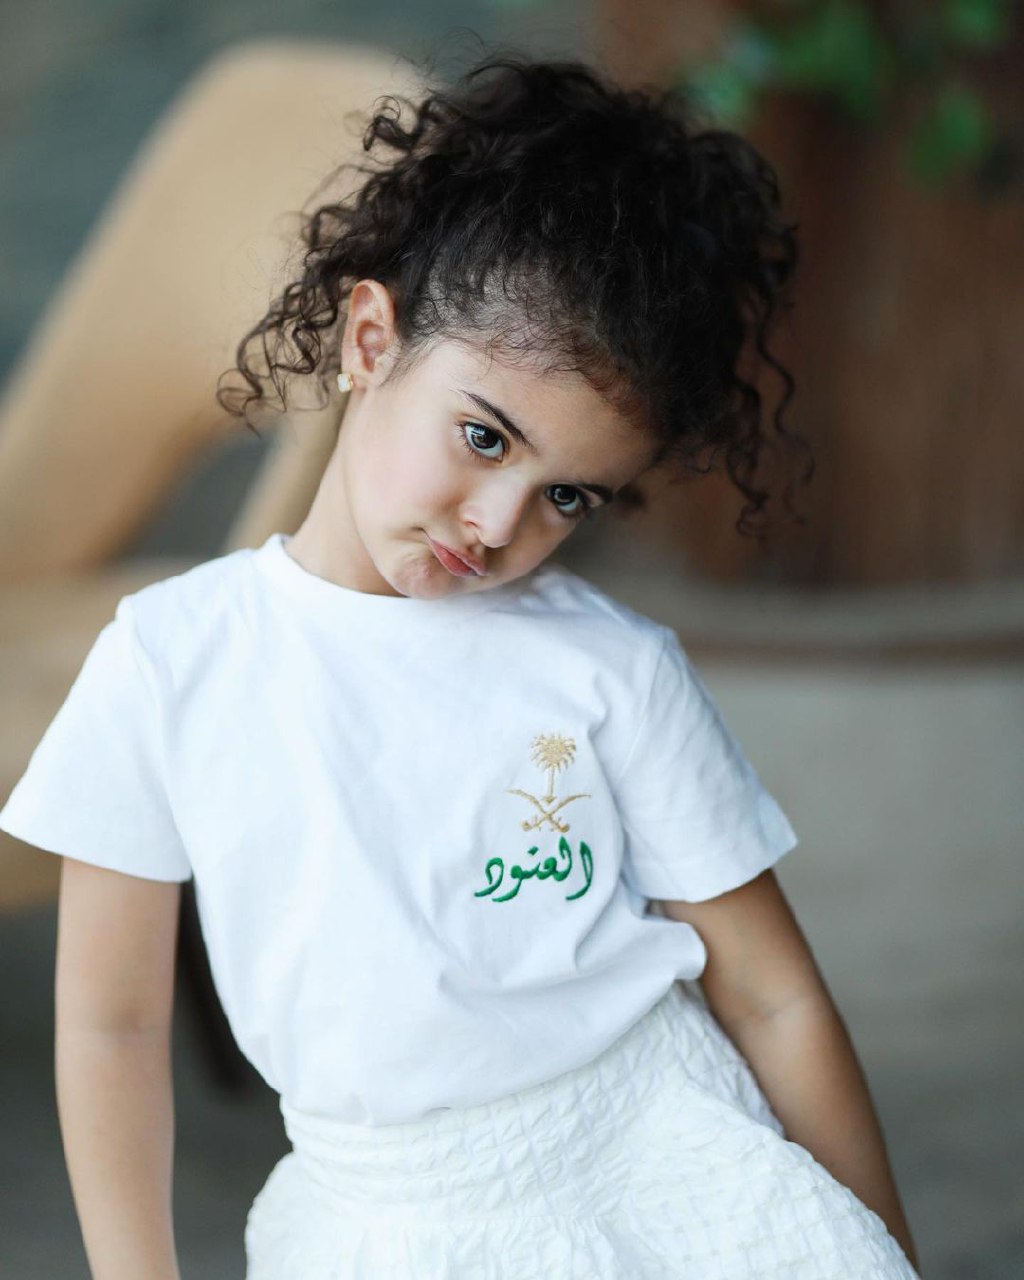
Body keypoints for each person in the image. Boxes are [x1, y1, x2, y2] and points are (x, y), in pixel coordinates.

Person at [0, 49, 921, 1280]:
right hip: (379, 1217)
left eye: (567, 495)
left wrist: (877, 1249)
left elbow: (770, 994)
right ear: (370, 339)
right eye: (484, 436)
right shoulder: (169, 663)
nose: (496, 524)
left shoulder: (610, 669)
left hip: (661, 1160)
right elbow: (111, 1026)